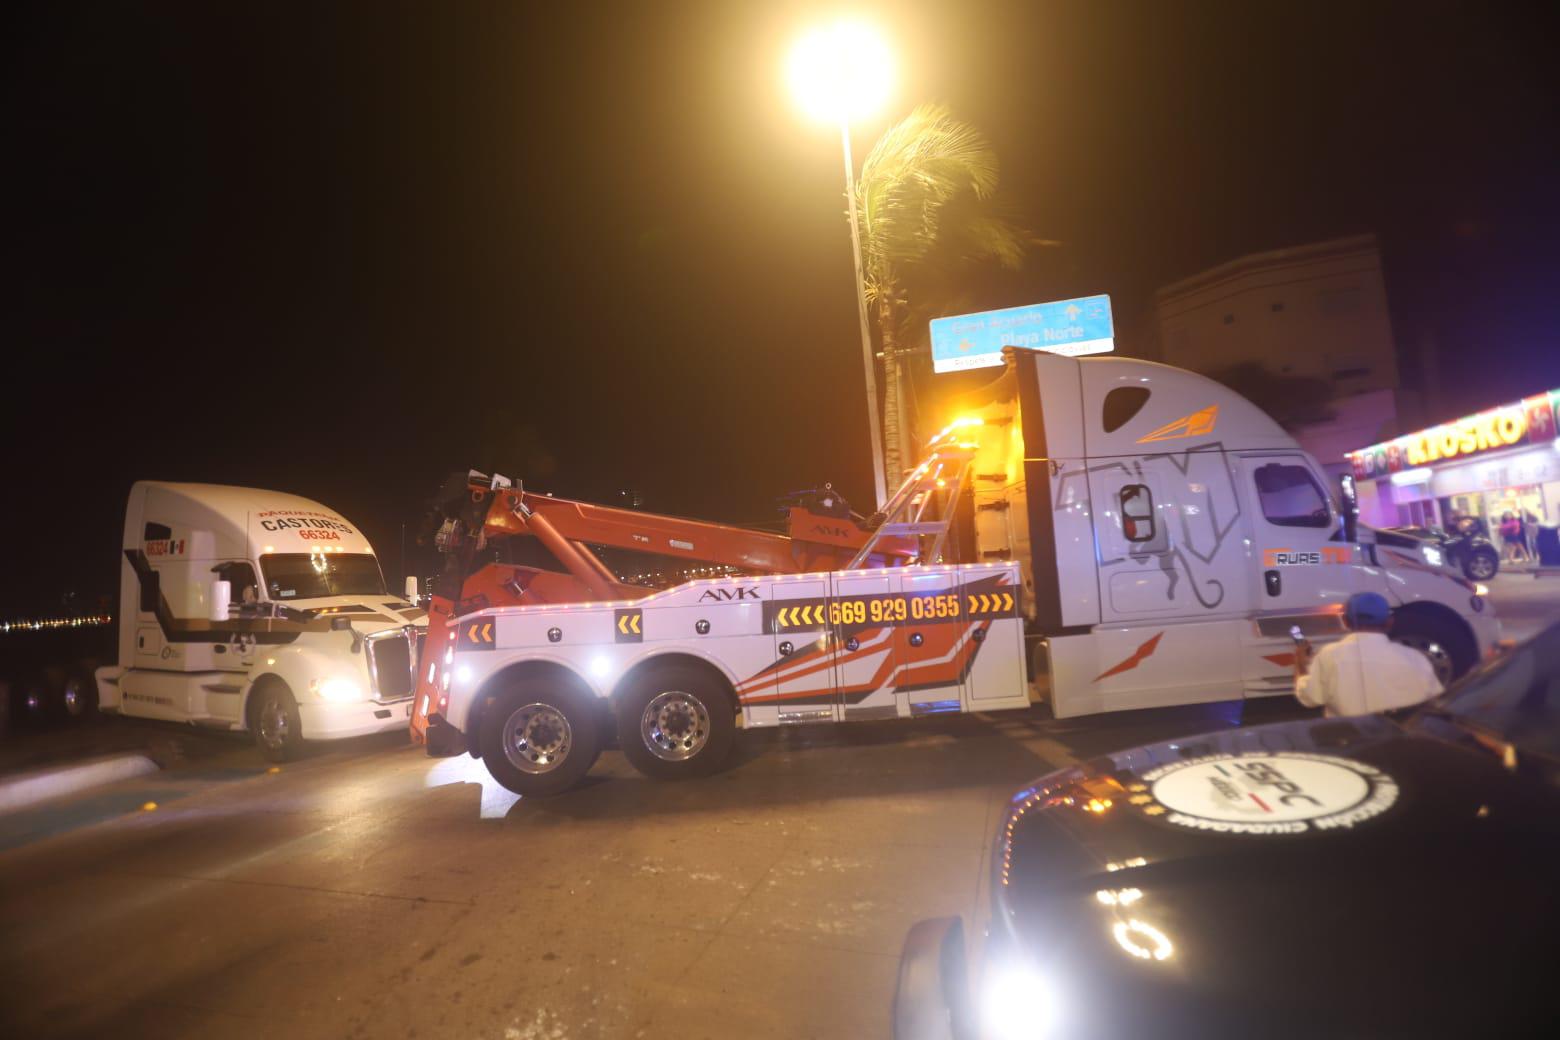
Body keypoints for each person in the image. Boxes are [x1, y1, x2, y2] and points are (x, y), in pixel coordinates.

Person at [1294, 592, 1443, 716]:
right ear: (1389, 622)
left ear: (1345, 621)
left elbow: (1309, 698)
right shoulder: (1415, 658)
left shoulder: (1329, 656)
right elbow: (1436, 703)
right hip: (1403, 744)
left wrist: (1300, 663)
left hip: (1352, 744)